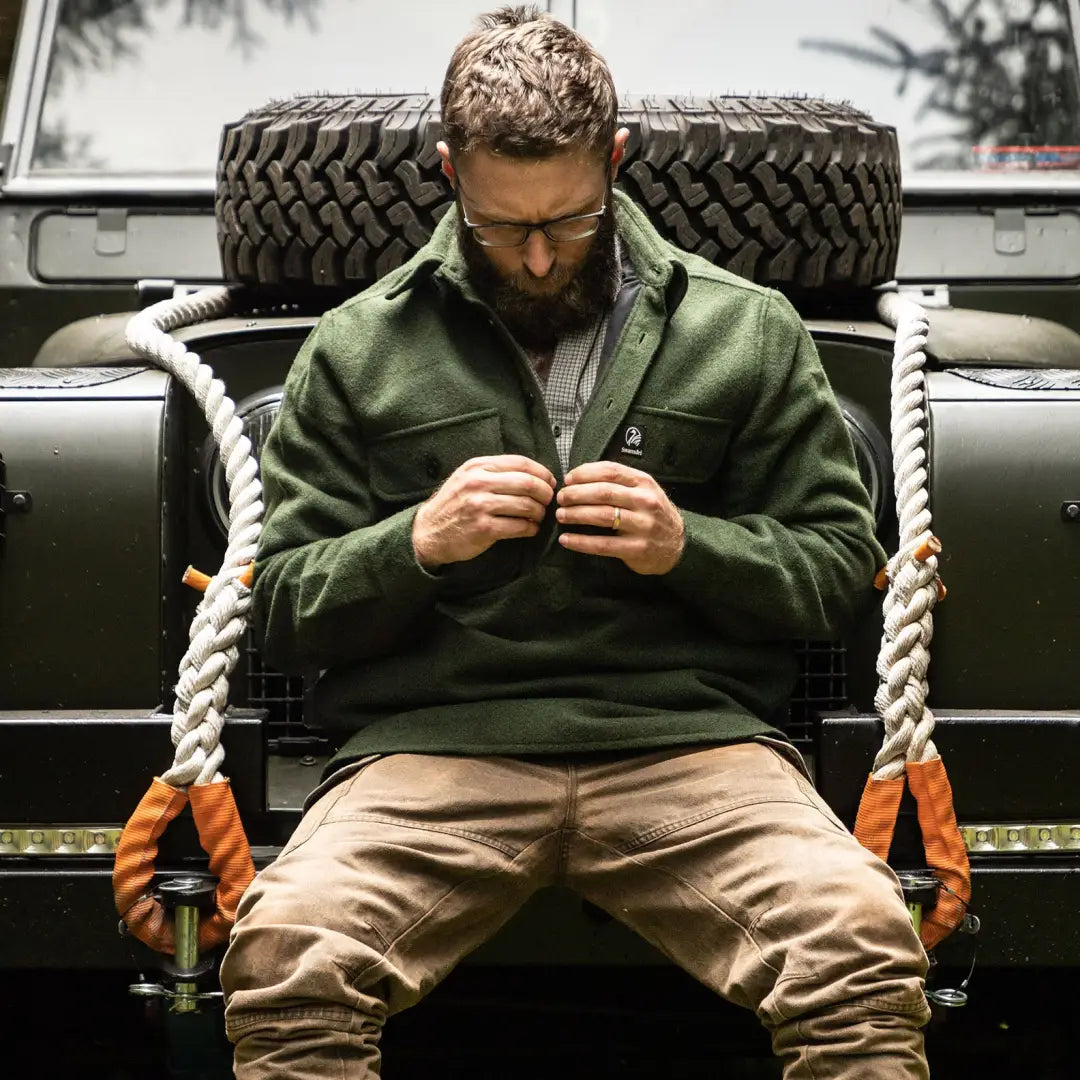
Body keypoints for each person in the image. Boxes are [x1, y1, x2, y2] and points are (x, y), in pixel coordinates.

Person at [220, 6, 931, 1077]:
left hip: (691, 748)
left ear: (616, 159)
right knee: (288, 955)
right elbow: (276, 608)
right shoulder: (358, 346)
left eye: (571, 220)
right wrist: (419, 540)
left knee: (860, 943)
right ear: (449, 171)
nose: (543, 257)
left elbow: (837, 572)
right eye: (505, 228)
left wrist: (683, 544)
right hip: (430, 752)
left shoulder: (744, 329)